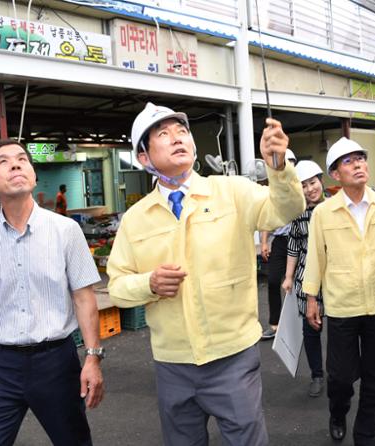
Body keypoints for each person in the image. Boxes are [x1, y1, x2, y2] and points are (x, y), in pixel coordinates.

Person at [107, 103, 305, 445]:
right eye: (163, 135)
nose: (177, 138)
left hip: (232, 357)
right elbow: (118, 287)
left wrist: (278, 168)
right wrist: (149, 283)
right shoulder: (136, 218)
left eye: (182, 131)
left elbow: (286, 209)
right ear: (144, 157)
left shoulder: (233, 191)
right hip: (173, 363)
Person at [0, 139, 104, 446]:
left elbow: (84, 298)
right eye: (3, 161)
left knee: (74, 441)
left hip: (55, 362)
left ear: (33, 175)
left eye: (22, 159)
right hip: (0, 367)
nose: (15, 164)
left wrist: (93, 358)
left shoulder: (66, 231)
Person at [302, 137, 375, 446]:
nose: (359, 164)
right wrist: (312, 297)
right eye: (349, 161)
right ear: (335, 174)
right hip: (342, 307)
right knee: (339, 379)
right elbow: (316, 257)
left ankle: (366, 434)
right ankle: (338, 412)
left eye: (361, 159)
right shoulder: (324, 213)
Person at [281, 160, 326, 397]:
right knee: (311, 330)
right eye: (304, 185)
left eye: (313, 182)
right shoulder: (298, 215)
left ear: (321, 181)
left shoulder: (333, 208)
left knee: (340, 327)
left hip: (332, 277)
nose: (310, 189)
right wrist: (289, 277)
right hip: (304, 277)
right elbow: (294, 246)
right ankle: (317, 374)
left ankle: (341, 372)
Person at [260, 148, 297, 340]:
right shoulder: (271, 192)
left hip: (300, 239)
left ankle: (302, 321)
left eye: (289, 163)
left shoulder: (301, 187)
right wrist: (265, 242)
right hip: (281, 241)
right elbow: (266, 217)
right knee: (274, 281)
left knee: (300, 284)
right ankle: (275, 325)